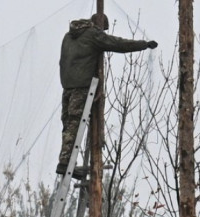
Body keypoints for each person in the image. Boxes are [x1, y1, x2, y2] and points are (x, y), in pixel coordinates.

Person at [57, 14, 156, 179]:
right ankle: (66, 164)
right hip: (81, 86)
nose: (103, 32)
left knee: (68, 124)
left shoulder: (68, 36)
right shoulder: (93, 34)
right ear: (99, 25)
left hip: (67, 86)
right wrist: (143, 44)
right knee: (75, 122)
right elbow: (117, 43)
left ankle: (65, 160)